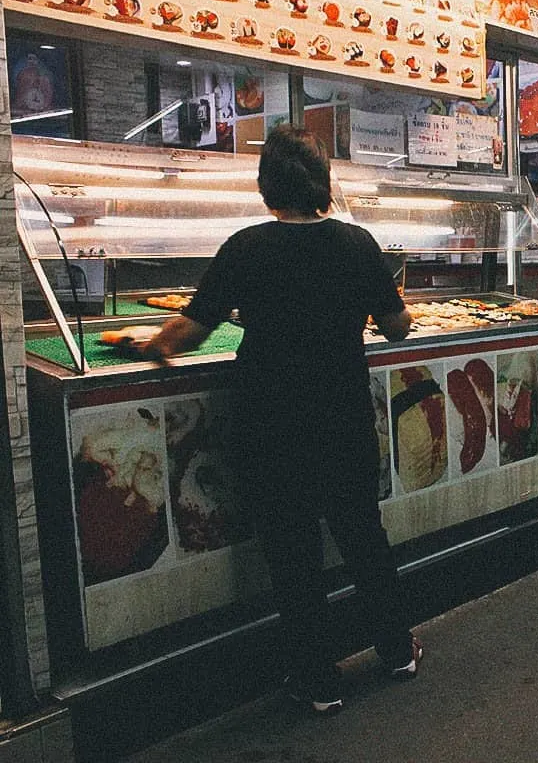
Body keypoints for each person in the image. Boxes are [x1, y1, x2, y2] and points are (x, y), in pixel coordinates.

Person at [139, 125, 421, 714]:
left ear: (267, 186)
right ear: (323, 185)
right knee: (363, 537)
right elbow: (399, 327)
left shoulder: (246, 247)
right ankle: (396, 651)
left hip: (270, 422)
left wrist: (152, 345)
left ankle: (318, 683)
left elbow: (188, 330)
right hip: (341, 416)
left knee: (293, 555)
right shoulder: (358, 244)